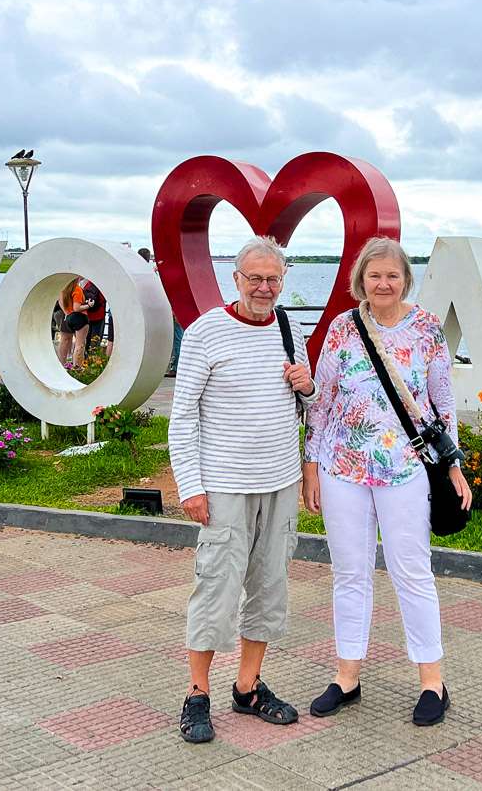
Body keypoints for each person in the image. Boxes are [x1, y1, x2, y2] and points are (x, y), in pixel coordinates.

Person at [301, 236, 473, 727]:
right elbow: (323, 400)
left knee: (411, 572)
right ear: (361, 280)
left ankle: (432, 682)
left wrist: (453, 464)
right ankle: (347, 676)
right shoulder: (342, 328)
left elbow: (442, 402)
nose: (382, 284)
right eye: (374, 275)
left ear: (405, 280)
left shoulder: (427, 329)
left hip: (405, 469)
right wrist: (311, 464)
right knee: (349, 573)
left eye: (391, 275)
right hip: (342, 468)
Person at [170, 236, 315, 744]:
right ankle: (197, 693)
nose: (264, 288)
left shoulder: (288, 328)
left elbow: (307, 403)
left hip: (280, 481)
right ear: (236, 279)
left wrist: (308, 386)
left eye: (273, 279)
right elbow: (182, 416)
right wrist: (190, 486)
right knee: (217, 587)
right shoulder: (206, 332)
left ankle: (248, 687)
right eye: (254, 278)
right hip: (224, 485)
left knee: (270, 586)